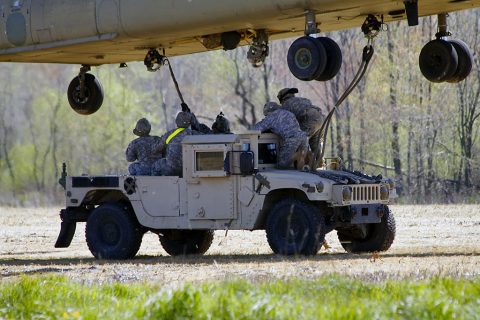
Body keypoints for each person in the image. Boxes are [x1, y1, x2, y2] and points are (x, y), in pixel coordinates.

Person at [253, 102, 308, 169]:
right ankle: (302, 155)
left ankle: (297, 155)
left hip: (292, 138)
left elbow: (257, 128)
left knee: (281, 165)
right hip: (303, 137)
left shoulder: (272, 116)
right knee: (299, 166)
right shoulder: (288, 113)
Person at [277, 88, 326, 155]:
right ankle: (320, 161)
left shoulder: (286, 105)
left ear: (282, 99)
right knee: (315, 143)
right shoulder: (303, 100)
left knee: (300, 142)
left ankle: (301, 164)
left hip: (309, 120)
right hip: (320, 119)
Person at [152, 111, 200, 176]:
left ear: (176, 122)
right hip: (189, 169)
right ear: (189, 123)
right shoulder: (194, 134)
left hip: (170, 170)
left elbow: (156, 149)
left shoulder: (169, 134)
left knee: (155, 165)